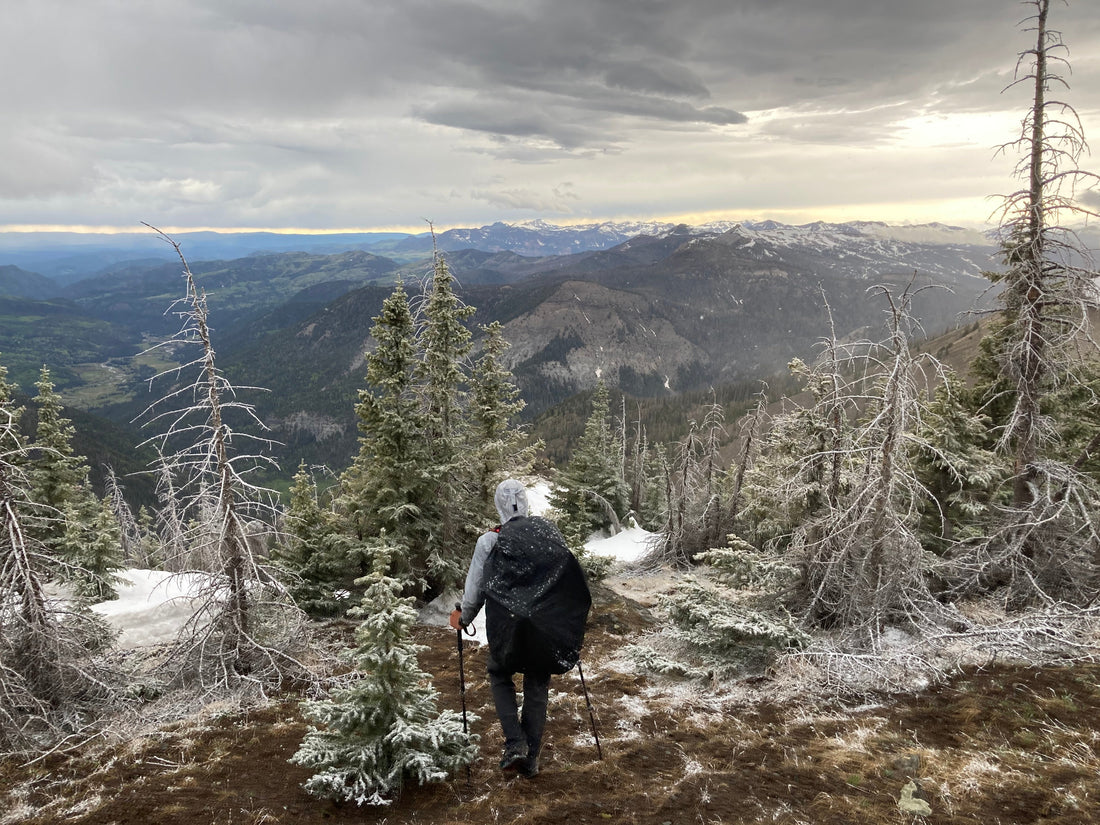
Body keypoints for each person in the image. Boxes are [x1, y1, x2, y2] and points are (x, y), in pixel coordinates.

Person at [449, 479, 554, 779]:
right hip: (542, 626)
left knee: (498, 673)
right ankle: (530, 758)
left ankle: (515, 742)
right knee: (537, 680)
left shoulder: (489, 542)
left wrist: (463, 617)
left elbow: (476, 589)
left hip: (505, 628)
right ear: (526, 502)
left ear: (498, 505)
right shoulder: (547, 535)